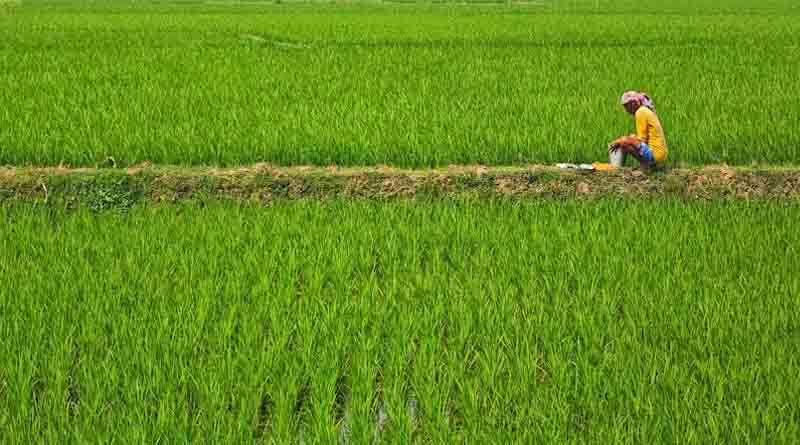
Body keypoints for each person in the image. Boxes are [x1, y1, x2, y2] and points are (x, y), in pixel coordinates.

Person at [608, 91, 668, 170]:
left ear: (633, 104)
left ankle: (648, 166)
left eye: (626, 106)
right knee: (629, 138)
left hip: (655, 155)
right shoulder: (645, 110)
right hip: (661, 155)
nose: (626, 110)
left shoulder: (640, 112)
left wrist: (620, 141)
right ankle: (648, 165)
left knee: (624, 142)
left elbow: (641, 140)